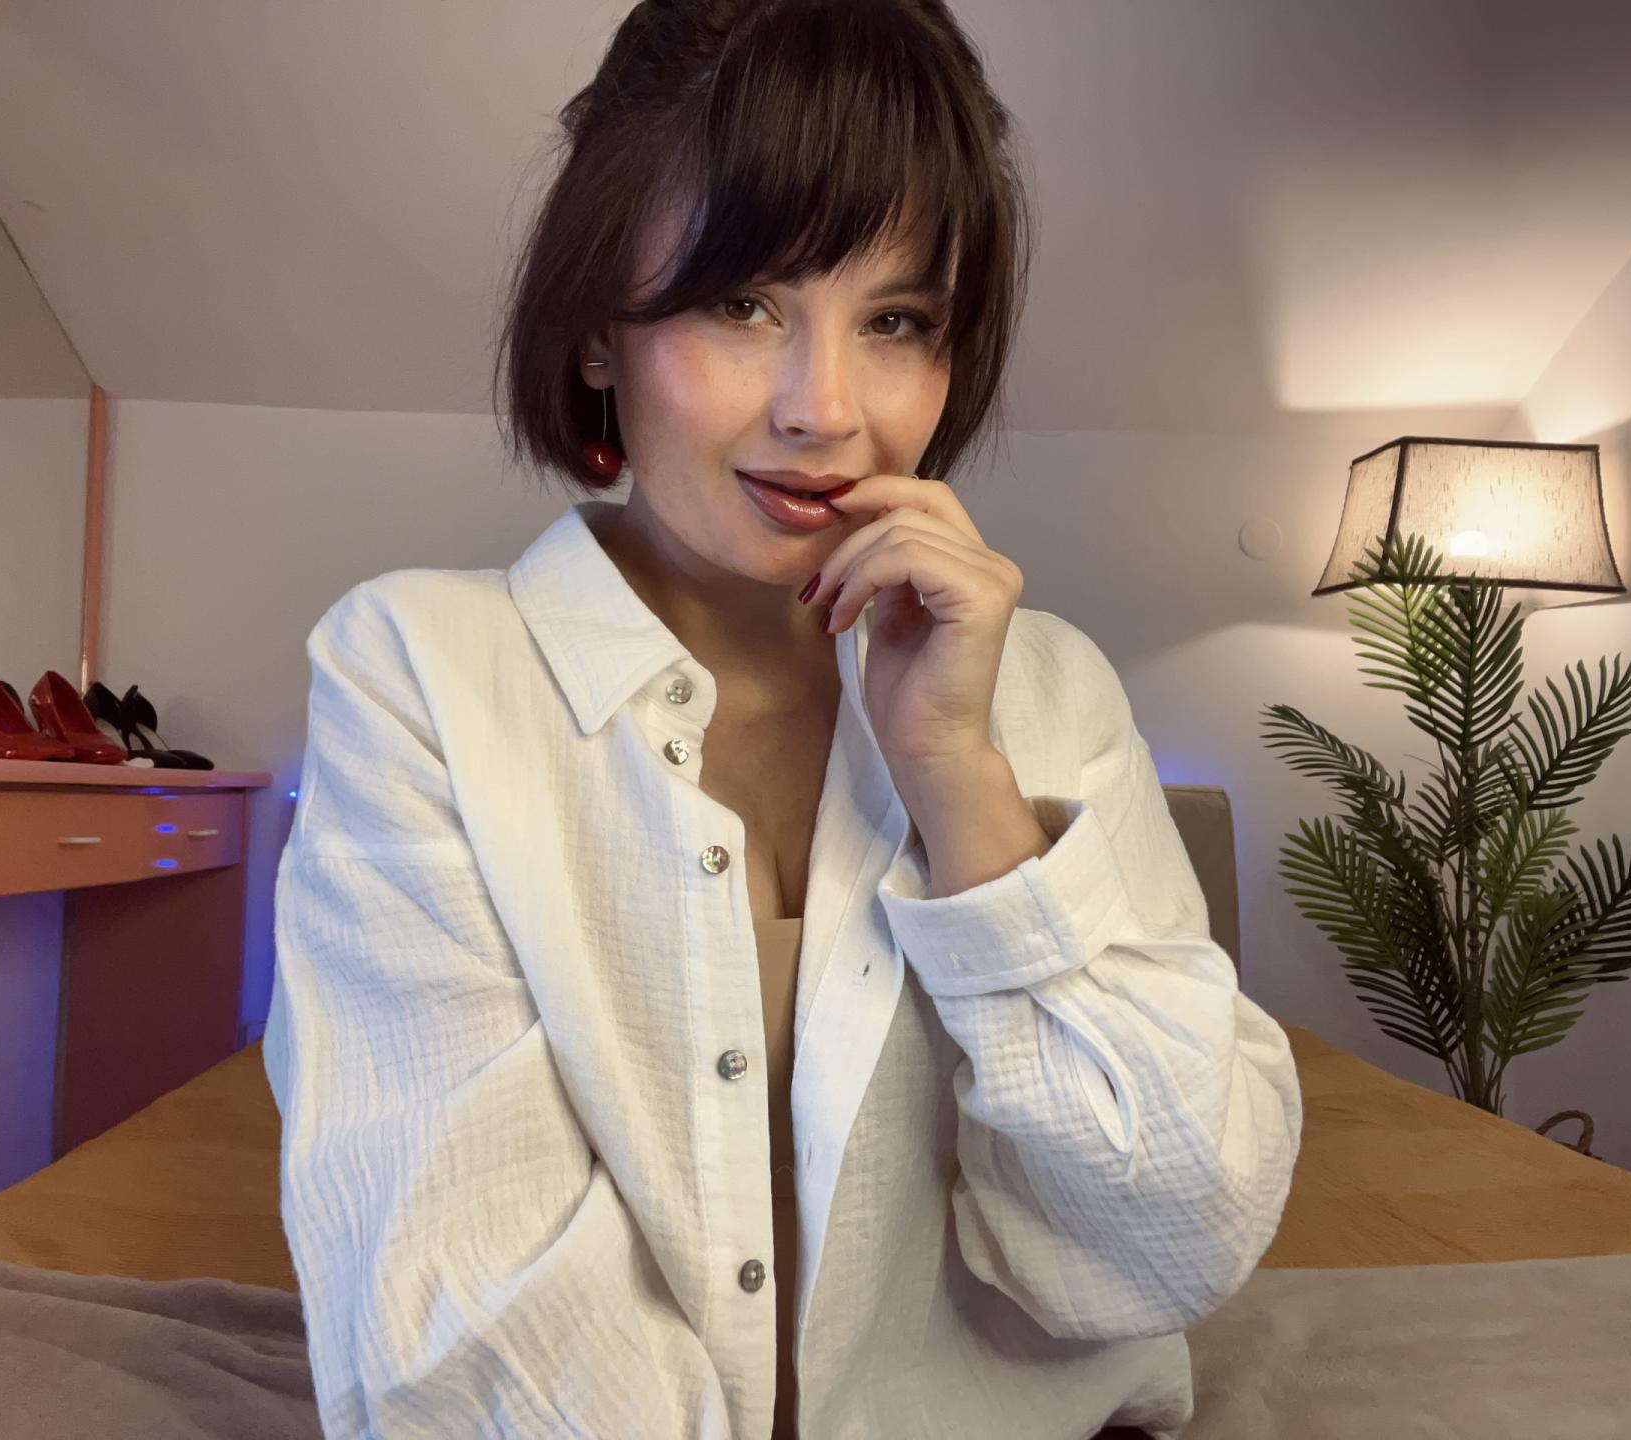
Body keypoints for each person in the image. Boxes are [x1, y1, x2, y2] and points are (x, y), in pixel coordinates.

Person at [263, 2, 1304, 1436]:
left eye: (897, 323)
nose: (827, 409)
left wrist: (959, 778)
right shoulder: (423, 678)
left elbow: (1172, 1242)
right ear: (597, 332)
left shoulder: (1049, 688)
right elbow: (462, 1321)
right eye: (743, 303)